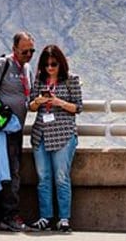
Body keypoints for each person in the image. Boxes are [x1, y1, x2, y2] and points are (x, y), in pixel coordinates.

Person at [0, 31, 35, 232]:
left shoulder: (27, 69)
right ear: (14, 49)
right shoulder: (3, 64)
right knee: (9, 173)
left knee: (10, 171)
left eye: (31, 51)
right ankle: (8, 216)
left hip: (16, 130)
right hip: (2, 129)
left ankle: (0, 218)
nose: (28, 55)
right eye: (24, 51)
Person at [27, 45, 84, 233]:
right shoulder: (39, 80)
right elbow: (31, 106)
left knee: (61, 177)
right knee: (43, 177)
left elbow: (78, 107)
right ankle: (45, 217)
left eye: (53, 64)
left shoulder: (71, 80)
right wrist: (38, 101)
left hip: (63, 134)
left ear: (61, 64)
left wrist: (59, 102)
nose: (50, 68)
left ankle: (64, 218)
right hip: (41, 134)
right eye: (46, 65)